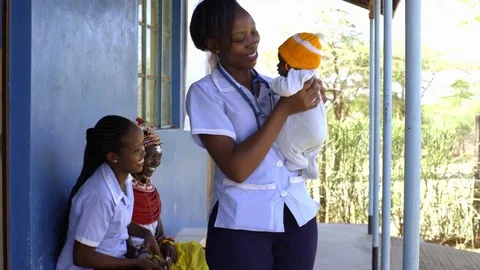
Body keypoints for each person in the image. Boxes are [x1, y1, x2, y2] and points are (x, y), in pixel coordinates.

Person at [187, 0, 327, 269]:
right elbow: (237, 168)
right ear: (213, 44)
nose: (252, 42)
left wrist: (310, 104)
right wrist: (285, 109)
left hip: (296, 218)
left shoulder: (278, 86)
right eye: (240, 38)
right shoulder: (205, 93)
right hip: (241, 227)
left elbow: (303, 135)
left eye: (253, 32)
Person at [55, 115, 168, 270]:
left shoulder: (125, 180)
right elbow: (82, 257)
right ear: (113, 156)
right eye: (136, 150)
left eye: (142, 145)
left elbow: (117, 223)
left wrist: (146, 234)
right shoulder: (101, 196)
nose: (143, 152)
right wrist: (135, 263)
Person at [129, 117, 208, 270]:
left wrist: (167, 245)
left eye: (159, 158)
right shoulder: (124, 188)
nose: (156, 162)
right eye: (151, 157)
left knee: (199, 255)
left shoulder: (149, 189)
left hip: (153, 251)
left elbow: (158, 231)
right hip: (135, 256)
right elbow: (120, 230)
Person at [271, 32, 328, 179]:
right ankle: (310, 166)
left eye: (280, 62)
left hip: (309, 130)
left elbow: (286, 89)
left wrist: (273, 84)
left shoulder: (297, 76)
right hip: (319, 130)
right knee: (311, 152)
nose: (277, 66)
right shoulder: (311, 76)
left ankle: (298, 163)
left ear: (289, 65)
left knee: (285, 143)